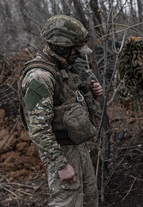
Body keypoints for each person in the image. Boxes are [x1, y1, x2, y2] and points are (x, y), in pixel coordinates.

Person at [19, 15, 102, 206]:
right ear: (61, 46)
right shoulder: (39, 77)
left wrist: (89, 93)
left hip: (78, 147)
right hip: (62, 151)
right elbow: (38, 129)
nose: (79, 54)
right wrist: (60, 165)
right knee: (68, 201)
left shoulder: (62, 67)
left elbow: (67, 104)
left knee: (90, 198)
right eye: (75, 49)